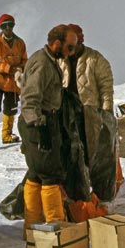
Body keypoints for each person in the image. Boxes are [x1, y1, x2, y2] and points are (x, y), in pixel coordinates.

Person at [18, 24, 78, 229]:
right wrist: (39, 127)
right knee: (50, 174)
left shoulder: (49, 60)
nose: (71, 52)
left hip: (43, 121)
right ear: (57, 43)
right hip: (38, 122)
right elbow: (29, 98)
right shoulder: (43, 64)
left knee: (36, 172)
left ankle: (32, 226)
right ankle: (56, 225)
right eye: (69, 47)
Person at [60, 23, 116, 201]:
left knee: (96, 155)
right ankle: (76, 194)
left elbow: (106, 86)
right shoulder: (60, 60)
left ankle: (100, 196)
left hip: (90, 115)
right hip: (67, 114)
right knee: (71, 155)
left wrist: (106, 111)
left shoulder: (95, 59)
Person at [0, 14, 27, 146]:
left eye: (10, 25)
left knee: (10, 108)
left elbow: (25, 60)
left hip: (13, 83)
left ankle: (7, 135)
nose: (8, 28)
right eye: (4, 25)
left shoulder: (20, 43)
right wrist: (8, 68)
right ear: (0, 27)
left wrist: (19, 68)